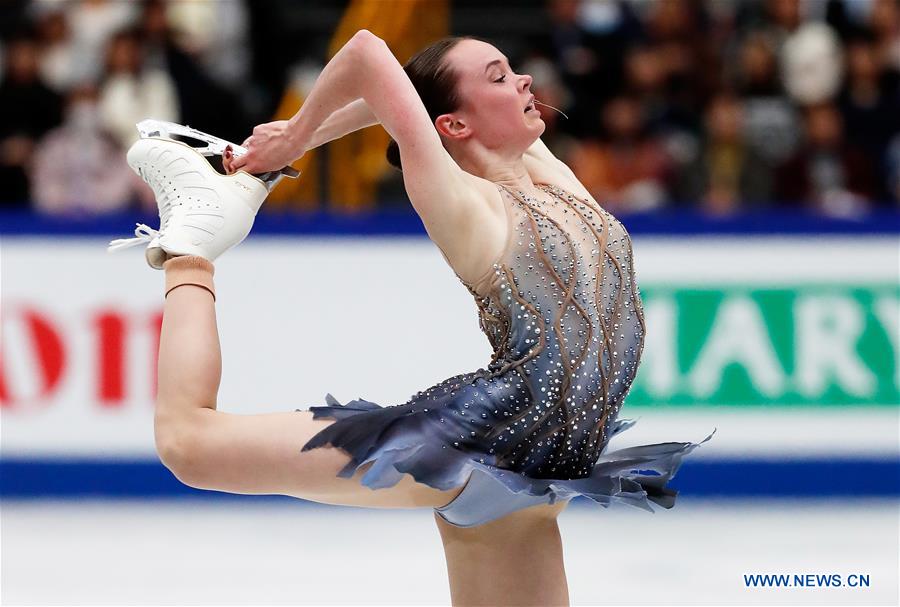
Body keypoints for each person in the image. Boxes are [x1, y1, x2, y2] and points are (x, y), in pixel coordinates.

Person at [119, 31, 711, 606]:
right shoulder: (465, 201)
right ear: (455, 127)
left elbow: (403, 99)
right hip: (478, 441)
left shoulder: (547, 174)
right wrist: (298, 135)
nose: (525, 78)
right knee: (187, 444)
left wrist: (283, 148)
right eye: (499, 77)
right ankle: (190, 244)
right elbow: (367, 56)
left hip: (536, 474)